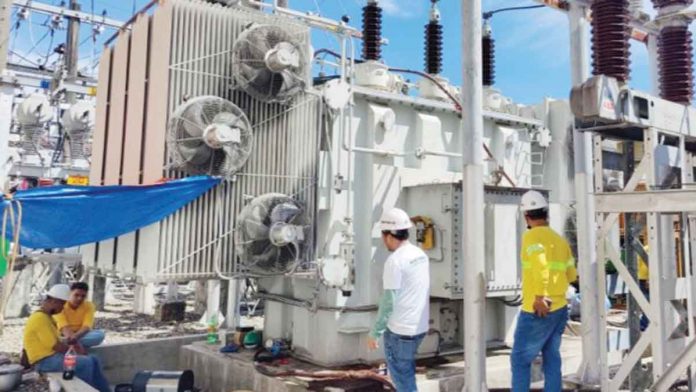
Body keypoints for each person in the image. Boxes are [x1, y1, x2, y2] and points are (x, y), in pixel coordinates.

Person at [511, 191, 578, 392]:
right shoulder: (559, 240)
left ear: (526, 217)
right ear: (546, 213)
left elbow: (541, 268)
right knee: (552, 357)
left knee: (520, 359)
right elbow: (571, 274)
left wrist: (540, 296)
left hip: (538, 309)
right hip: (559, 309)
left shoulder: (531, 236)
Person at [367, 208, 430, 392]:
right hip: (419, 328)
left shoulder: (395, 261)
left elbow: (389, 301)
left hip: (400, 332)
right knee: (407, 372)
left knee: (403, 381)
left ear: (388, 235)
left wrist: (375, 332)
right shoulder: (420, 255)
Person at [23, 284, 110, 392]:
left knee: (94, 359)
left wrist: (75, 346)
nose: (63, 307)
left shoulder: (46, 317)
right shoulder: (39, 318)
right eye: (62, 304)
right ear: (55, 301)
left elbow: (58, 341)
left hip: (52, 356)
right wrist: (75, 351)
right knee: (85, 363)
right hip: (44, 361)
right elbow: (56, 346)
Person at [54, 282, 105, 348]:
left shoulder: (89, 306)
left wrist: (74, 337)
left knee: (99, 335)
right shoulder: (61, 305)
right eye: (76, 295)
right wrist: (71, 338)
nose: (79, 298)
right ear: (70, 293)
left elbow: (86, 327)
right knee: (55, 337)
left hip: (79, 334)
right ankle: (73, 344)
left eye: (83, 296)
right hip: (63, 334)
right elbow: (64, 327)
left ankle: (66, 344)